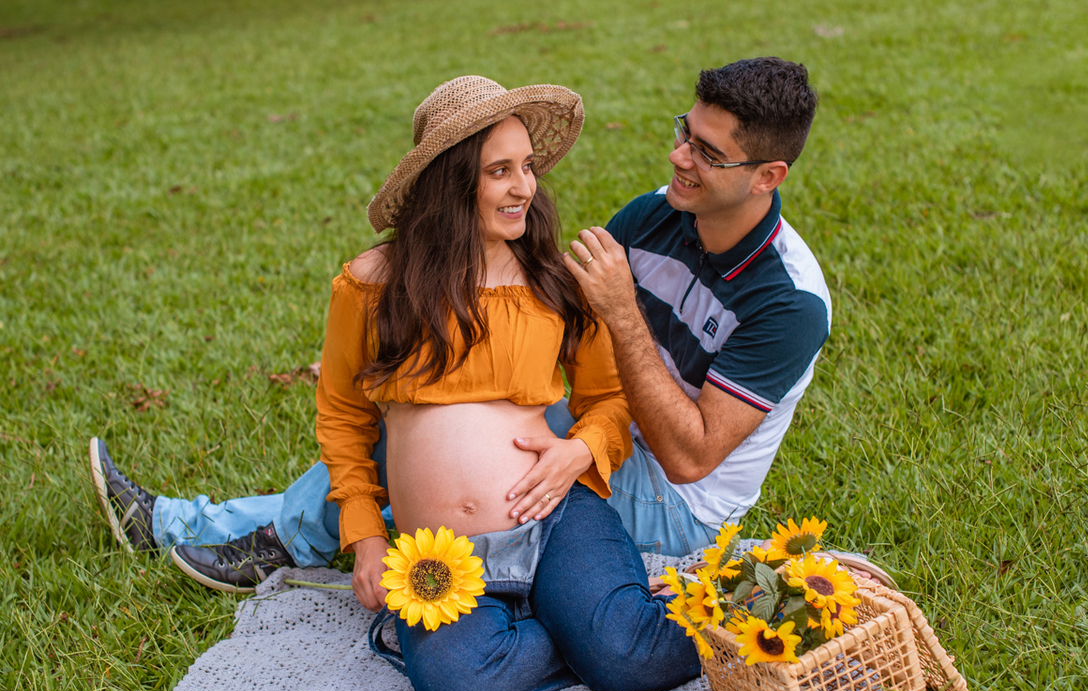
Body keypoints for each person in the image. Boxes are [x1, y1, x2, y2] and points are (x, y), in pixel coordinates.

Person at [91, 57, 894, 593]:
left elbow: (688, 457)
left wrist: (603, 361)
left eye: (707, 152)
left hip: (672, 500)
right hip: (591, 425)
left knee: (434, 428)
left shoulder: (790, 301)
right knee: (429, 413)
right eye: (684, 131)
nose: (681, 156)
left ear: (768, 176)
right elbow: (565, 334)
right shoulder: (657, 215)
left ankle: (236, 532)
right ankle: (247, 528)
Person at [98, 76, 701, 691]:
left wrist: (580, 452)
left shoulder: (552, 279)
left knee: (632, 663)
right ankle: (589, 630)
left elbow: (610, 399)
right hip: (438, 556)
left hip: (552, 520)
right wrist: (366, 538)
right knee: (452, 677)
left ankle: (641, 631)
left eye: (526, 167)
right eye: (500, 171)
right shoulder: (373, 285)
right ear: (450, 181)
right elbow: (342, 418)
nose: (524, 186)